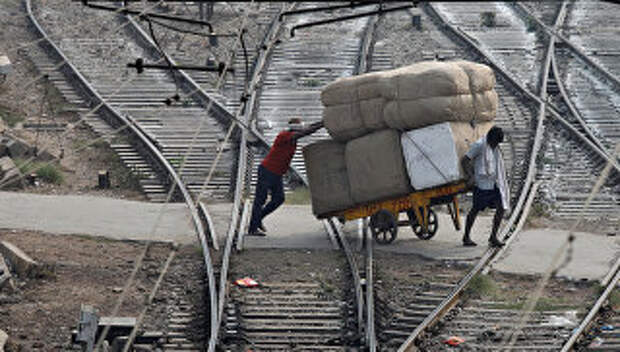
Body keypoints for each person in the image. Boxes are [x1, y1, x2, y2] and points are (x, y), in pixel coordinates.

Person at [247, 118, 323, 236]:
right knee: (260, 200)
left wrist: (323, 122)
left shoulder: (292, 135)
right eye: (300, 127)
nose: (302, 128)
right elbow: (306, 132)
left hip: (276, 173)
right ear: (296, 128)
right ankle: (252, 229)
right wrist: (322, 125)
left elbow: (309, 128)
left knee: (279, 199)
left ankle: (258, 218)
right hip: (267, 171)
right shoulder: (285, 135)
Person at [460, 126, 510, 247]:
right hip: (481, 185)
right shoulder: (479, 145)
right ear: (490, 138)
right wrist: (470, 176)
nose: (495, 145)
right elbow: (465, 160)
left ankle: (493, 237)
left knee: (501, 208)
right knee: (475, 210)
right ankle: (466, 236)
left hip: (494, 184)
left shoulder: (496, 147)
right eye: (494, 143)